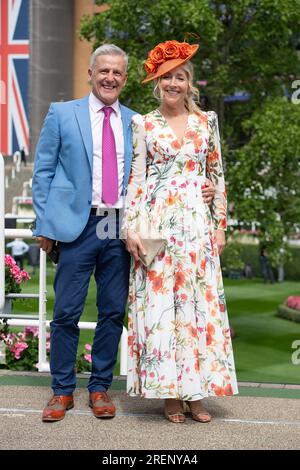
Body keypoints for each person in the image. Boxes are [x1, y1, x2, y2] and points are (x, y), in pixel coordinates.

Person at [31, 43, 217, 423]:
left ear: (126, 78)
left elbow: (157, 174)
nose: (110, 78)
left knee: (113, 312)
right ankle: (62, 391)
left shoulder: (138, 122)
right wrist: (44, 224)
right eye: (104, 71)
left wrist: (206, 187)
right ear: (91, 73)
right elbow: (43, 172)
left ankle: (100, 387)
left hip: (121, 226)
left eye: (117, 73)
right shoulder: (63, 114)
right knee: (66, 312)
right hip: (76, 226)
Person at [123, 40, 238, 424]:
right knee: (162, 311)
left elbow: (217, 178)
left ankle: (196, 393)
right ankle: (170, 394)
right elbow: (137, 180)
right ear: (157, 82)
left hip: (196, 228)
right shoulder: (143, 123)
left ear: (190, 83)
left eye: (181, 77)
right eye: (167, 77)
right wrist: (130, 229)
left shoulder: (208, 122)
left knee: (196, 310)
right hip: (157, 226)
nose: (174, 83)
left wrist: (219, 227)